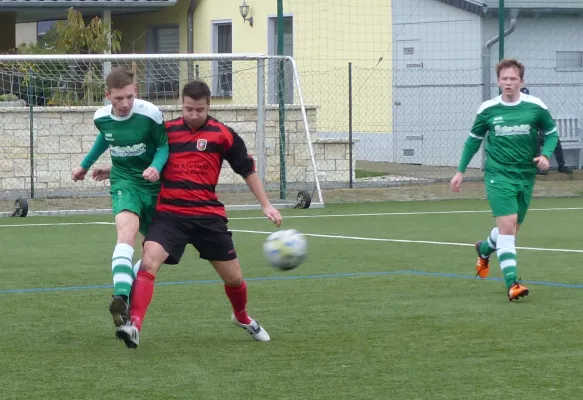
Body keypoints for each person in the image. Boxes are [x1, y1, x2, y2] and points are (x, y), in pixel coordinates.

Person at [114, 79, 283, 349]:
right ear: (182, 104)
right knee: (148, 262)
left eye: (199, 110)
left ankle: (241, 317)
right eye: (188, 109)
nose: (193, 114)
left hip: (208, 218)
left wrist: (266, 204)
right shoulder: (166, 132)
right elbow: (135, 160)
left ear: (209, 106)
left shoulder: (222, 134)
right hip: (170, 215)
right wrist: (110, 171)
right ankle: (134, 325)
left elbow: (246, 168)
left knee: (234, 279)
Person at [450, 58, 558, 301]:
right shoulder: (488, 109)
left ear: (521, 81)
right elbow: (473, 141)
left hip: (526, 176)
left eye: (513, 78)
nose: (508, 83)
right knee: (508, 226)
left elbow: (552, 133)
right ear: (498, 82)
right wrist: (460, 171)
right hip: (498, 175)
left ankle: (485, 248)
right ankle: (513, 284)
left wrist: (545, 155)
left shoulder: (535, 106)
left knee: (510, 230)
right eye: (504, 79)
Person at [71, 67, 169, 328]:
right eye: (118, 99)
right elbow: (106, 138)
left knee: (159, 253)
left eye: (128, 97)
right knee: (126, 233)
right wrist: (84, 165)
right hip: (124, 182)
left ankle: (128, 279)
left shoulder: (150, 114)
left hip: (154, 186)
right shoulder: (101, 118)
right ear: (108, 96)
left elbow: (163, 145)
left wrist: (156, 167)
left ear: (135, 91)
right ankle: (121, 297)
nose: (124, 103)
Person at [520, 87, 572, 175]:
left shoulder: (534, 108)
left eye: (526, 96)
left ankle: (561, 166)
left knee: (555, 141)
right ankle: (536, 167)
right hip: (525, 136)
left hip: (538, 133)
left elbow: (545, 123)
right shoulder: (516, 110)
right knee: (534, 140)